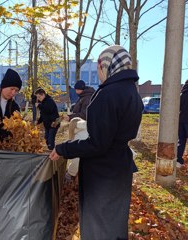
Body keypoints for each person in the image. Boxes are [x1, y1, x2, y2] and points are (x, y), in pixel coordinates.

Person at [49, 45, 143, 240]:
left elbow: (97, 144)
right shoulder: (133, 92)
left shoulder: (108, 94)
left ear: (104, 65)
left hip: (102, 174)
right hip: (120, 168)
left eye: (99, 67)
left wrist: (63, 148)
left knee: (98, 228)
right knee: (114, 225)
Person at [177, 80, 188, 168]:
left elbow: (178, 107)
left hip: (182, 120)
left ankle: (178, 161)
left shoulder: (182, 94)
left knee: (181, 141)